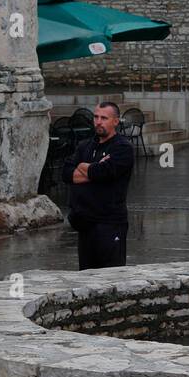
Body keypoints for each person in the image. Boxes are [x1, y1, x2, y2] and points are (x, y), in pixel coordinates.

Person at [61, 101, 134, 270]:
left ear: (115, 121)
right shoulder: (85, 145)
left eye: (104, 118)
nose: (98, 121)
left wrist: (85, 167)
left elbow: (104, 173)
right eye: (96, 117)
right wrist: (93, 169)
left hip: (110, 223)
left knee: (110, 277)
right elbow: (66, 173)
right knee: (86, 277)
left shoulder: (122, 147)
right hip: (85, 223)